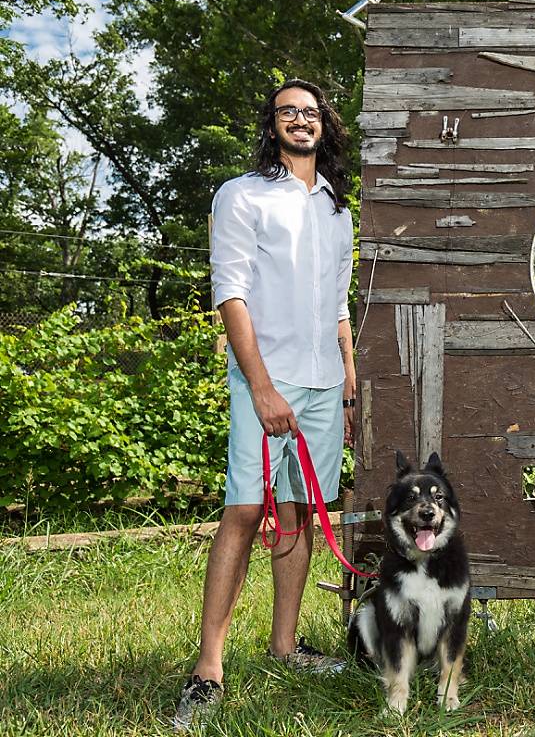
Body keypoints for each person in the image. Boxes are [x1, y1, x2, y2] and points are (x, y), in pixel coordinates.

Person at [174, 79, 357, 731]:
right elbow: (231, 296)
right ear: (273, 124)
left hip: (321, 384)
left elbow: (339, 304)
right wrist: (260, 386)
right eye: (288, 112)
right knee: (246, 512)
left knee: (300, 512)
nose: (300, 120)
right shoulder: (241, 195)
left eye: (309, 112)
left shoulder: (338, 208)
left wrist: (349, 379)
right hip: (265, 382)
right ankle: (208, 670)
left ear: (323, 125)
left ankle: (285, 649)